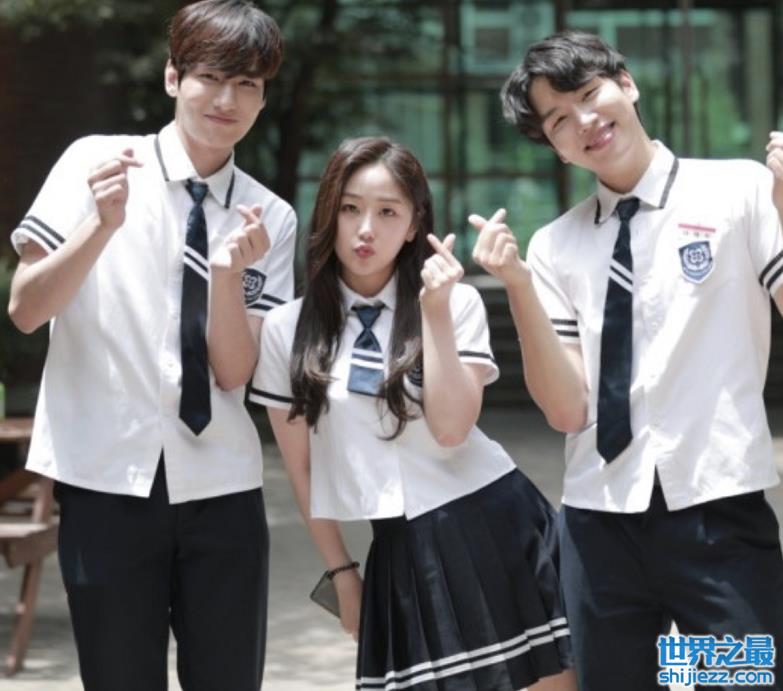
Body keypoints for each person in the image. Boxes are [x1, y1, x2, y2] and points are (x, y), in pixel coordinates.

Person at [470, 29, 783, 691]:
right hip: (598, 523)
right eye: (558, 118)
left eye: (589, 94)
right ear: (551, 143)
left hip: (717, 510)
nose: (583, 121)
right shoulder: (554, 245)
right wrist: (519, 286)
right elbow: (566, 409)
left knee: (737, 680)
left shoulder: (740, 191)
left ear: (626, 83)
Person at [7, 1, 295, 689]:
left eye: (247, 84)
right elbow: (25, 309)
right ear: (173, 77)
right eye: (210, 77)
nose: (226, 100)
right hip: (106, 478)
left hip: (222, 486)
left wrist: (227, 276)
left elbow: (235, 372)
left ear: (262, 98)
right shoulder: (95, 163)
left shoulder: (271, 218)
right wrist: (100, 226)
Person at [250, 135, 575, 691]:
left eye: (387, 212)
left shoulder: (457, 303)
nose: (366, 229)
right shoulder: (288, 329)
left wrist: (435, 314)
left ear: (413, 223)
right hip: (401, 550)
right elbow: (301, 466)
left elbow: (451, 429)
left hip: (495, 522)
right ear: (328, 214)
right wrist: (341, 572)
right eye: (350, 208)